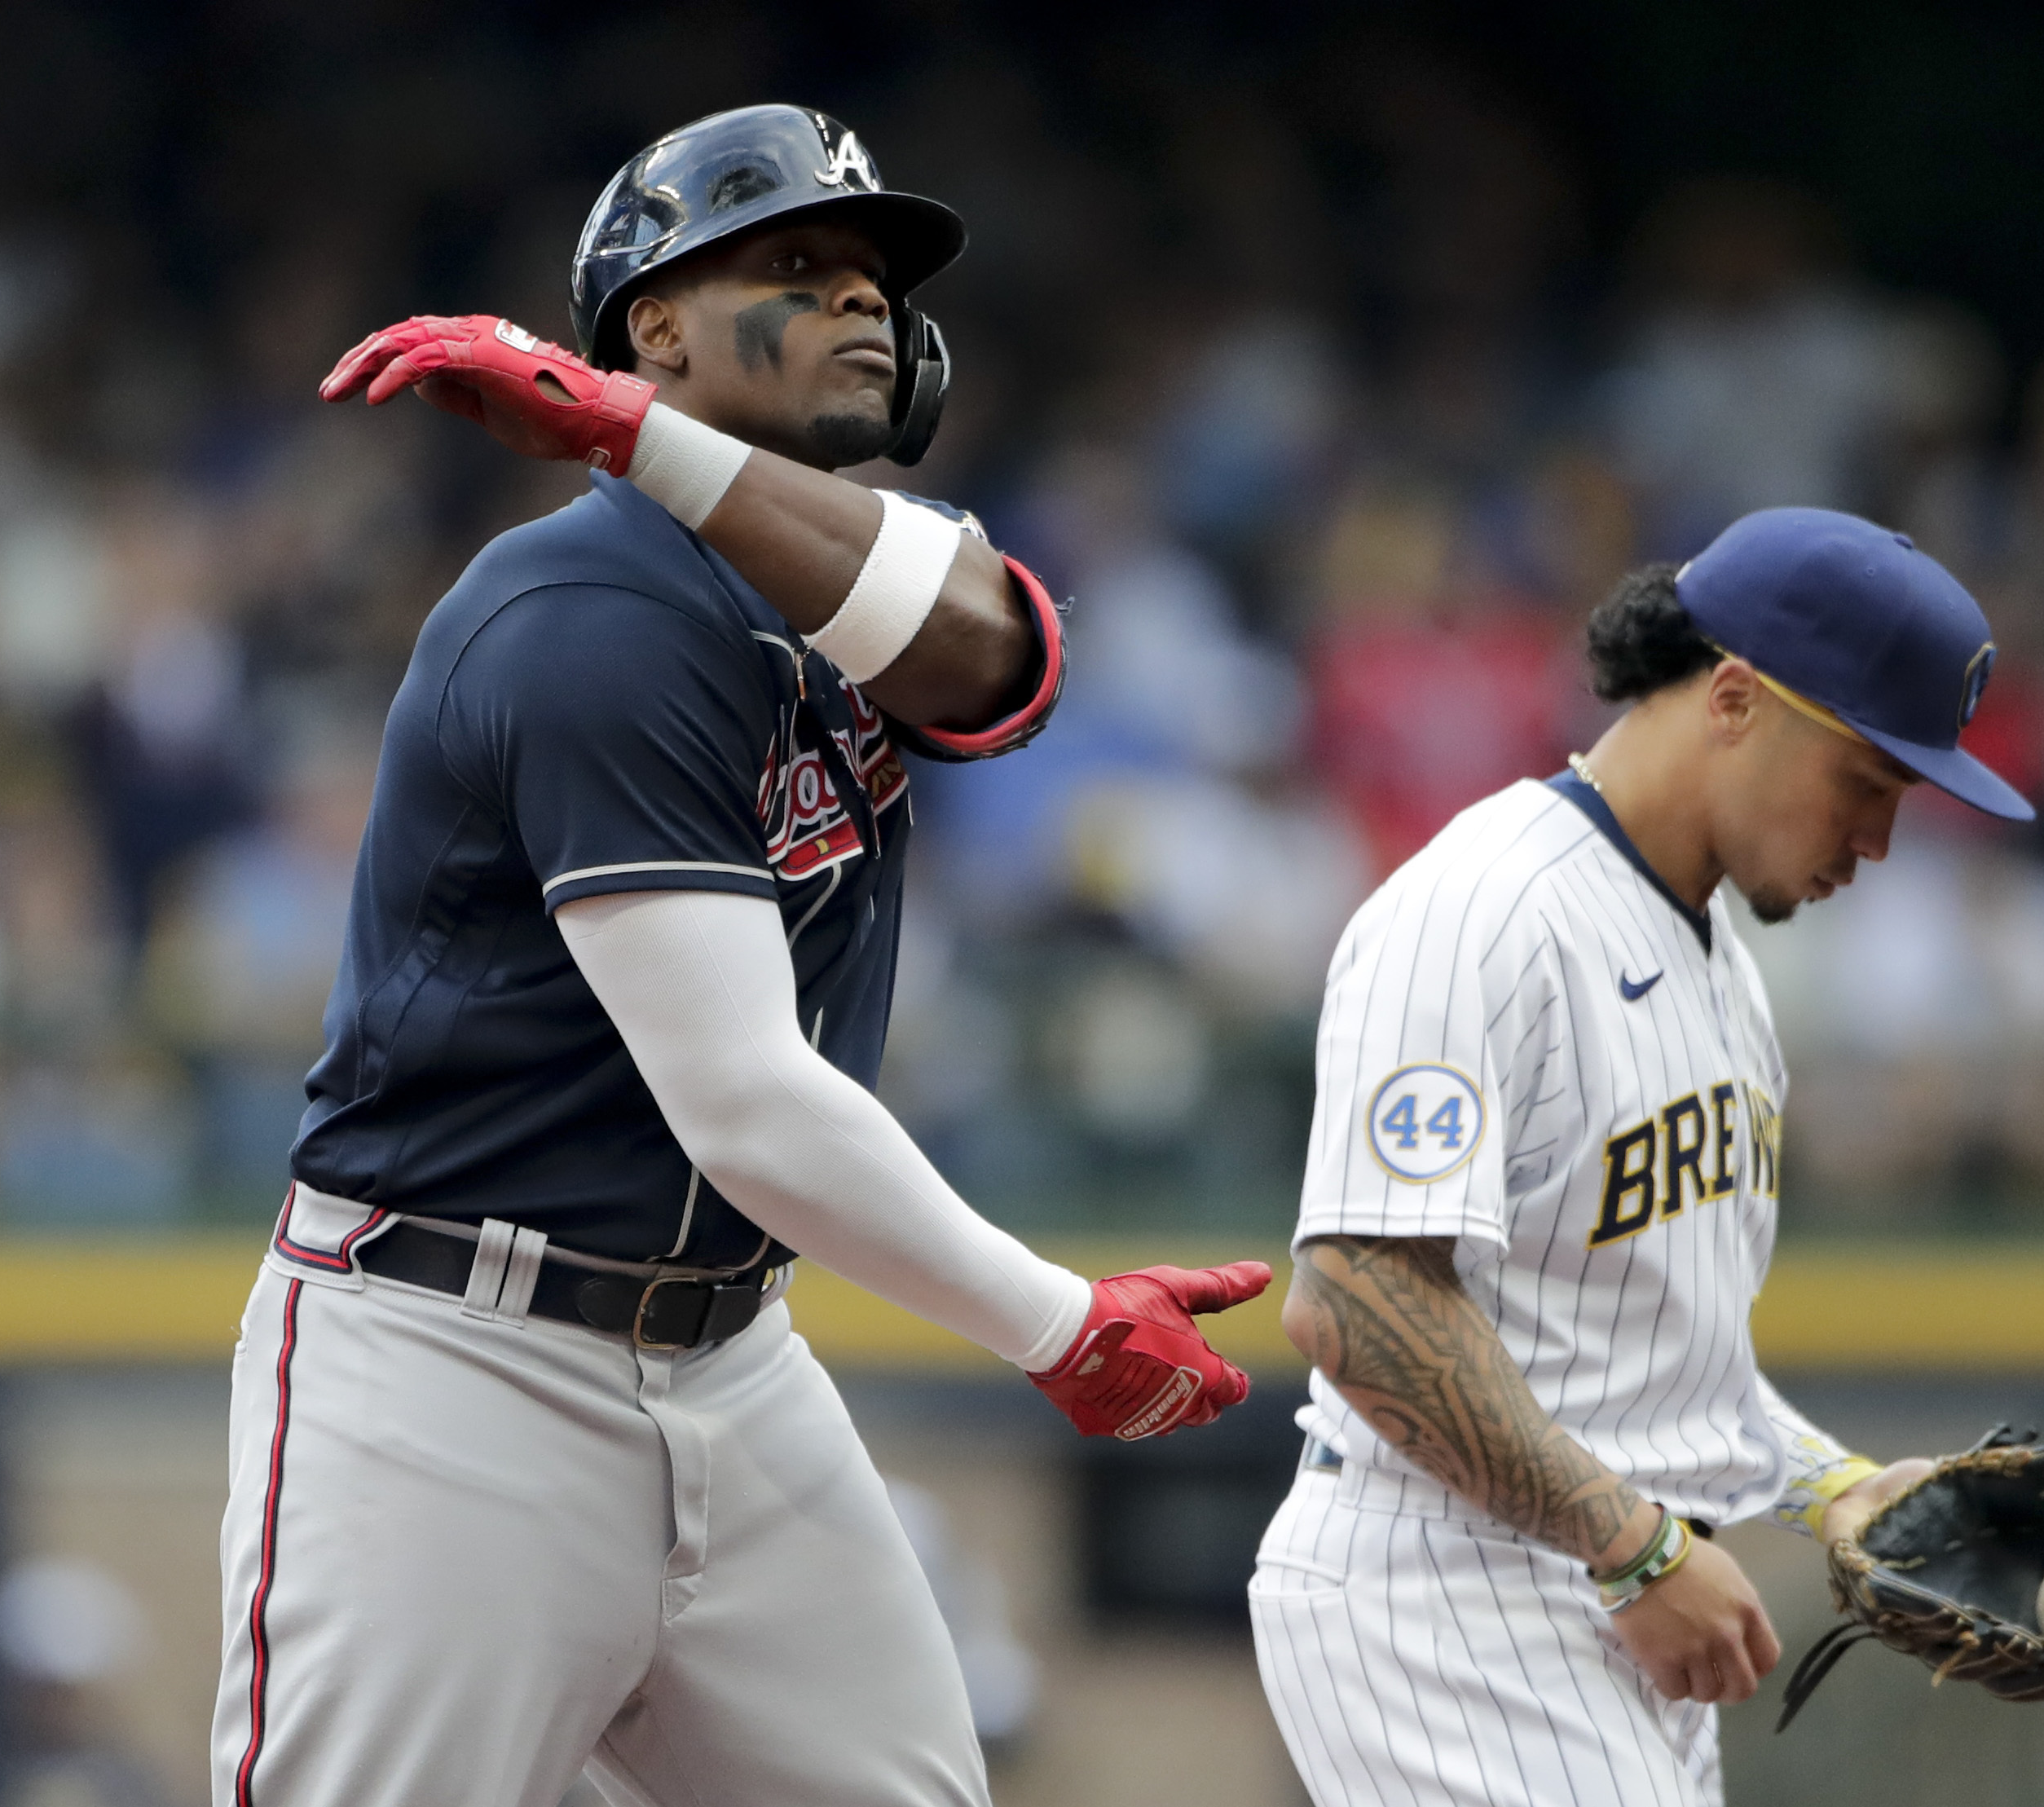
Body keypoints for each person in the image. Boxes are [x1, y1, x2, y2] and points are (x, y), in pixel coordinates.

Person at [218, 104, 1267, 1807]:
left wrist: (638, 436)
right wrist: (1055, 1319)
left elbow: (994, 656)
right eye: (792, 263)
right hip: (453, 1357)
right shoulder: (583, 610)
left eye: (871, 274)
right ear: (652, 327)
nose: (859, 300)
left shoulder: (845, 578)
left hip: (731, 1360)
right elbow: (745, 1102)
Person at [1250, 507, 2033, 1807]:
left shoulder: (1723, 970)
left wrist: (1832, 1488)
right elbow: (1359, 1301)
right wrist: (1632, 1545)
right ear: (1733, 696)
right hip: (1448, 1596)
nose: (1881, 839)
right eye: (1868, 781)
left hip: (1610, 1593)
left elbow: (1646, 1364)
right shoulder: (1484, 909)